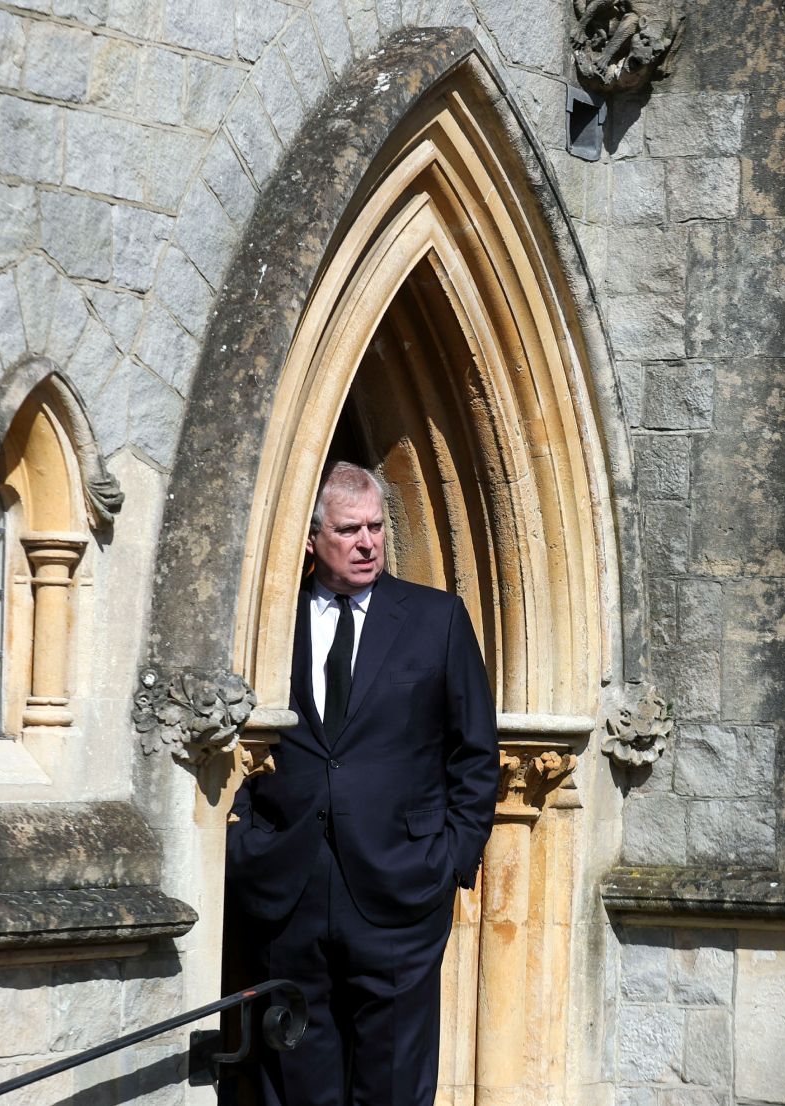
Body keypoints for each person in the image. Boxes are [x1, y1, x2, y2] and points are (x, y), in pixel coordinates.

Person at [226, 461, 499, 1106]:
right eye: (349, 530)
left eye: (376, 527)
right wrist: (245, 846)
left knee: (395, 1088)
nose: (367, 542)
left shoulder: (437, 619)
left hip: (402, 891)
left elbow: (476, 753)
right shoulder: (268, 622)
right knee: (296, 1084)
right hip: (287, 892)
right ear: (312, 539)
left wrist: (452, 860)